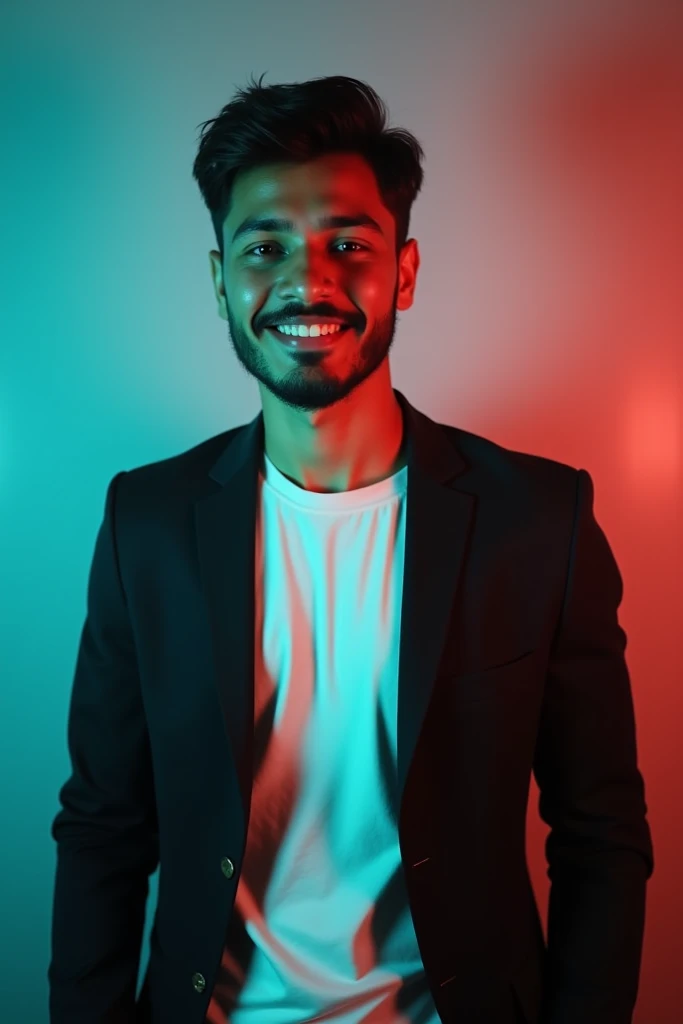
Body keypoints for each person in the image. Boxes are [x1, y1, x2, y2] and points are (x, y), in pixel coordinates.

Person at [48, 73, 654, 1024]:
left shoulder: (538, 519)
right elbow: (103, 829)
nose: (308, 279)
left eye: (347, 244)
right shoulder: (147, 524)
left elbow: (600, 833)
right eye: (265, 246)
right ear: (220, 282)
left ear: (403, 272)